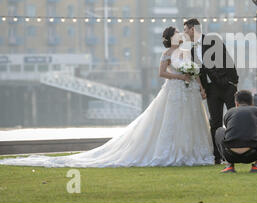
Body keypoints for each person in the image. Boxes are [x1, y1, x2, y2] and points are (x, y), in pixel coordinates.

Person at [0, 26, 215, 168]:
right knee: (171, 123)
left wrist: (200, 87)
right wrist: (180, 77)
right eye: (177, 32)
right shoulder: (167, 54)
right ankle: (172, 153)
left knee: (191, 123)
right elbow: (161, 73)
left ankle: (193, 152)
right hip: (174, 92)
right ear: (170, 38)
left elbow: (195, 72)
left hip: (190, 93)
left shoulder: (186, 53)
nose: (180, 34)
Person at [184, 18, 239, 164]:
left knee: (233, 119)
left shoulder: (212, 41)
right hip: (212, 90)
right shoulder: (191, 49)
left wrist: (233, 82)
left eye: (185, 30)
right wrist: (202, 88)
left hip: (227, 87)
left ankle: (236, 151)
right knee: (215, 123)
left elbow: (227, 59)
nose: (184, 33)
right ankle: (218, 156)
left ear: (192, 29)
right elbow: (198, 71)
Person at [214, 90, 257, 173]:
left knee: (219, 130)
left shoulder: (229, 112)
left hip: (230, 155)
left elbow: (228, 134)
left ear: (236, 103)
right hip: (252, 154)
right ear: (252, 102)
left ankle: (229, 165)